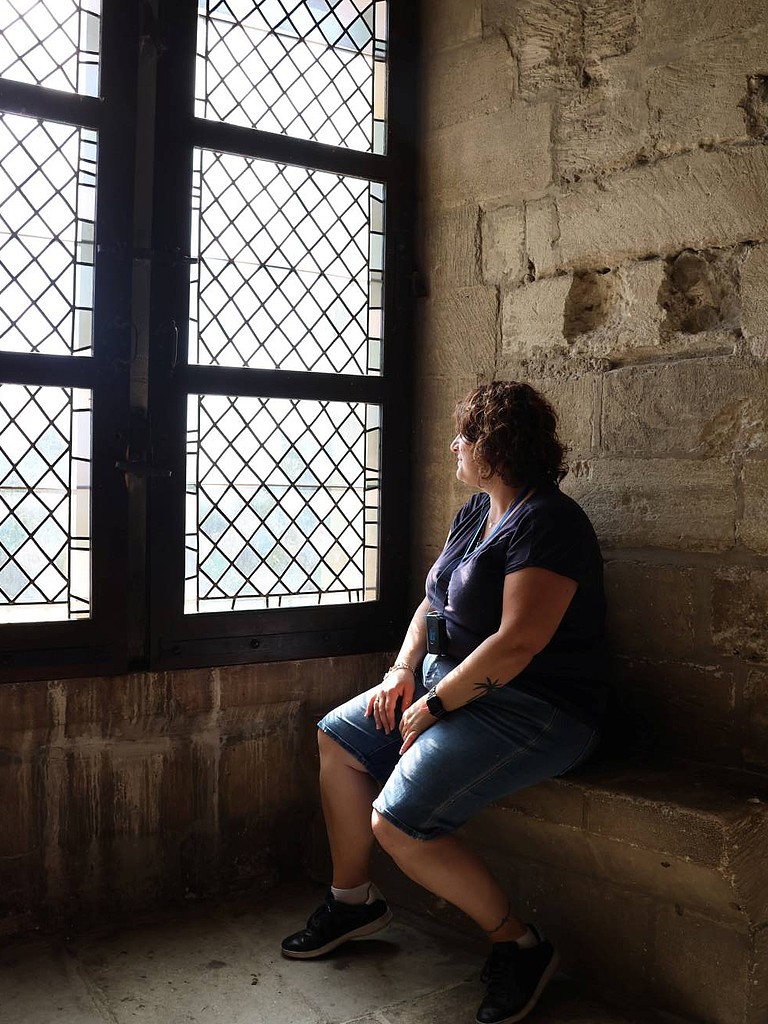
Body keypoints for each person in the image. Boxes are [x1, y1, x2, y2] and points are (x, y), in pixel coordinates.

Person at [281, 381, 607, 1024]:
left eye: (466, 435)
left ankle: (521, 945)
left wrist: (433, 705)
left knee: (398, 823)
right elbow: (433, 603)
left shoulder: (550, 522)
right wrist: (401, 671)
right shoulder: (476, 511)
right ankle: (353, 902)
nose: (455, 445)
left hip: (534, 708)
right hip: (447, 686)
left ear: (495, 447)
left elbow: (518, 643)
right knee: (339, 738)